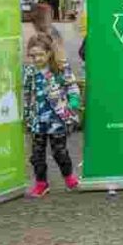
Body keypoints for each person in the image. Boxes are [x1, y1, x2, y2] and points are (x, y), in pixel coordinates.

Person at [23, 34, 82, 197]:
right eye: (32, 55)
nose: (36, 59)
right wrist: (27, 116)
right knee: (37, 155)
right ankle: (41, 184)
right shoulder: (29, 71)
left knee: (59, 152)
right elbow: (27, 94)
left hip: (57, 120)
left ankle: (69, 178)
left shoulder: (60, 68)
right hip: (37, 121)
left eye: (40, 55)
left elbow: (72, 87)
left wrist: (74, 102)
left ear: (49, 53)